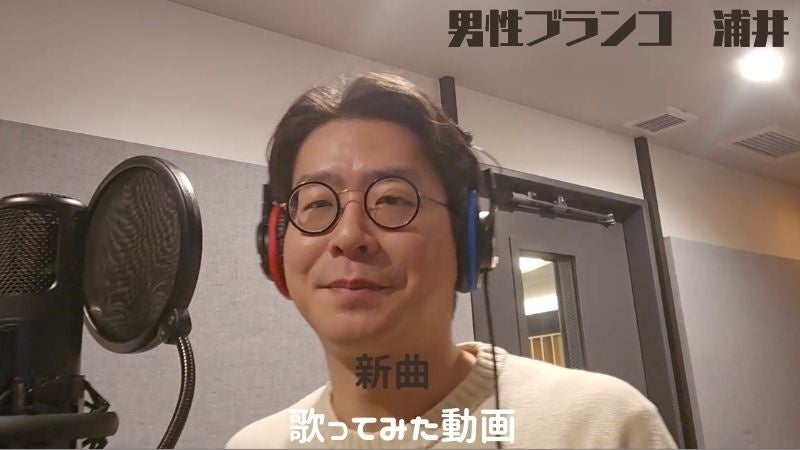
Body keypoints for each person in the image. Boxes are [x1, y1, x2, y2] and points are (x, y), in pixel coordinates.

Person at [226, 72, 678, 449]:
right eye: (317, 204)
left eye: (392, 199)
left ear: (465, 240)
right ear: (276, 243)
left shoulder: (599, 426)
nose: (348, 237)